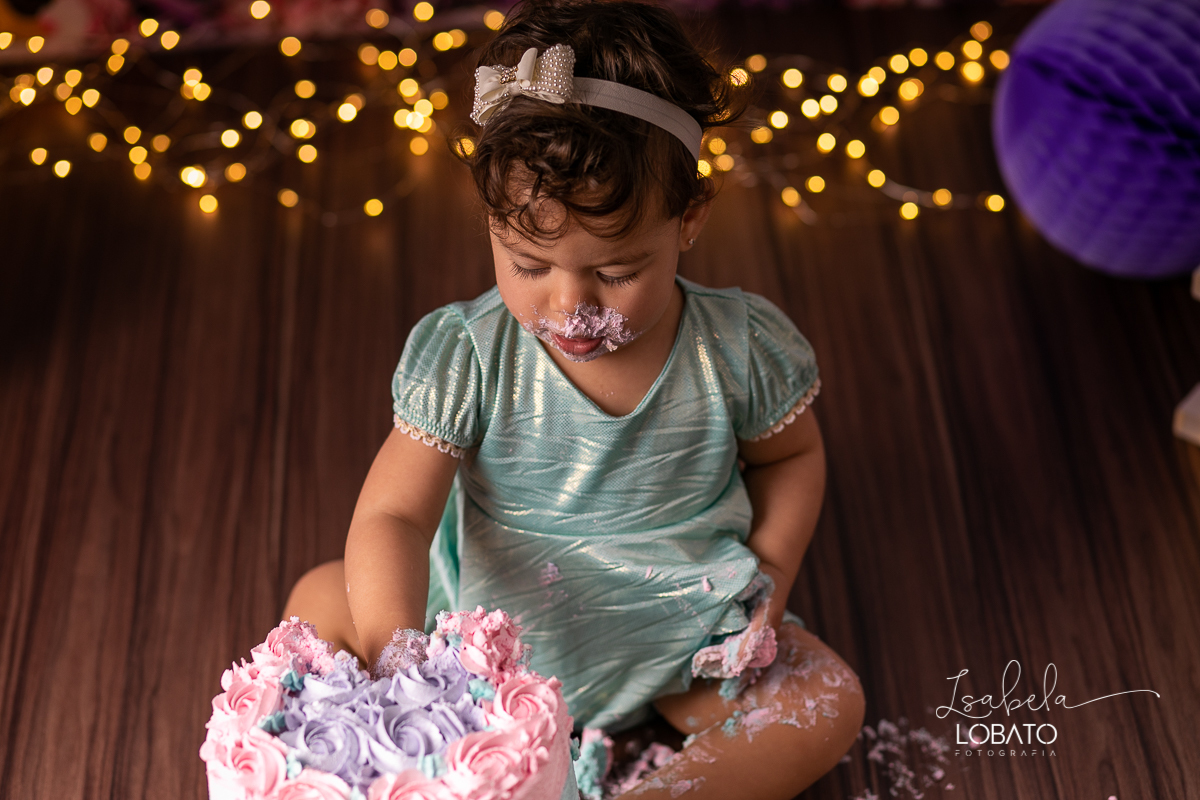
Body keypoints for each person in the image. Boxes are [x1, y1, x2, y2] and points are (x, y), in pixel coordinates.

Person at [284, 0, 864, 796]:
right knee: (321, 597)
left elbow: (793, 457)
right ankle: (452, 764)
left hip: (675, 638)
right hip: (492, 646)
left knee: (826, 704)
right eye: (528, 265)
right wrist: (407, 663)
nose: (570, 307)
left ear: (688, 220)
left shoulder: (736, 348)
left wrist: (772, 570)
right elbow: (394, 515)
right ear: (492, 223)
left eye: (617, 272)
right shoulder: (471, 357)